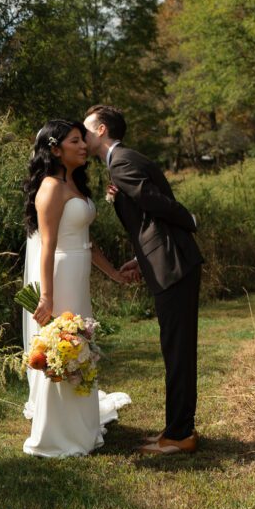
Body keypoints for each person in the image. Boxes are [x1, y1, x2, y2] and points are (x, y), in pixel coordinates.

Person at [83, 105, 203, 456]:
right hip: (165, 260)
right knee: (174, 349)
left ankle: (180, 435)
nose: (83, 136)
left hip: (174, 264)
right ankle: (175, 430)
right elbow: (148, 218)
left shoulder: (121, 162)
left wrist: (189, 219)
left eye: (86, 130)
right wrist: (141, 257)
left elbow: (154, 201)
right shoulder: (121, 162)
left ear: (102, 130)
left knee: (178, 351)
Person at [22, 119, 131, 458]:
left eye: (83, 141)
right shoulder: (51, 187)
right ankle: (56, 433)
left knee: (79, 343)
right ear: (55, 150)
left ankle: (81, 424)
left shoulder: (77, 185)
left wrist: (113, 272)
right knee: (61, 344)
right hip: (58, 275)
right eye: (75, 141)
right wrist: (47, 296)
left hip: (77, 273)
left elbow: (86, 241)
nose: (83, 146)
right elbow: (47, 247)